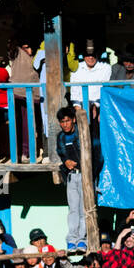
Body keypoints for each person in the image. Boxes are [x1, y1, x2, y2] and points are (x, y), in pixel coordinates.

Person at [56, 105, 87, 252]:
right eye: (62, 122)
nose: (65, 124)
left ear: (74, 120)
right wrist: (66, 162)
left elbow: (94, 154)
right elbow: (61, 153)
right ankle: (72, 240)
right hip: (71, 176)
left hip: (85, 175)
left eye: (67, 121)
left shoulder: (82, 133)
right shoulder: (61, 137)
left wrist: (80, 163)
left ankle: (83, 239)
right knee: (73, 210)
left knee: (84, 209)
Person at [9, 39, 42, 163]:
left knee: (31, 125)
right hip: (18, 94)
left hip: (33, 94)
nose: (26, 50)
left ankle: (28, 153)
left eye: (28, 47)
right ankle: (22, 153)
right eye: (23, 47)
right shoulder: (17, 54)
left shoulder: (35, 58)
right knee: (21, 125)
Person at [70, 40, 112, 120]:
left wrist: (96, 106)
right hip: (81, 106)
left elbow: (105, 89)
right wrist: (79, 109)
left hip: (101, 106)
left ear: (97, 55)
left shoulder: (105, 67)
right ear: (83, 55)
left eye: (93, 55)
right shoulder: (77, 68)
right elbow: (74, 92)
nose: (90, 57)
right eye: (87, 55)